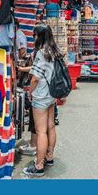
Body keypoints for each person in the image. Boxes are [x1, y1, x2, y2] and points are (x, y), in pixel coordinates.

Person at [23, 24, 61, 177]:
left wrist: (29, 93)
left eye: (34, 35)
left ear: (38, 36)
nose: (33, 38)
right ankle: (49, 157)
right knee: (51, 126)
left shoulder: (41, 53)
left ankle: (38, 165)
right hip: (51, 94)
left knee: (41, 131)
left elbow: (35, 79)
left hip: (41, 96)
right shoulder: (53, 50)